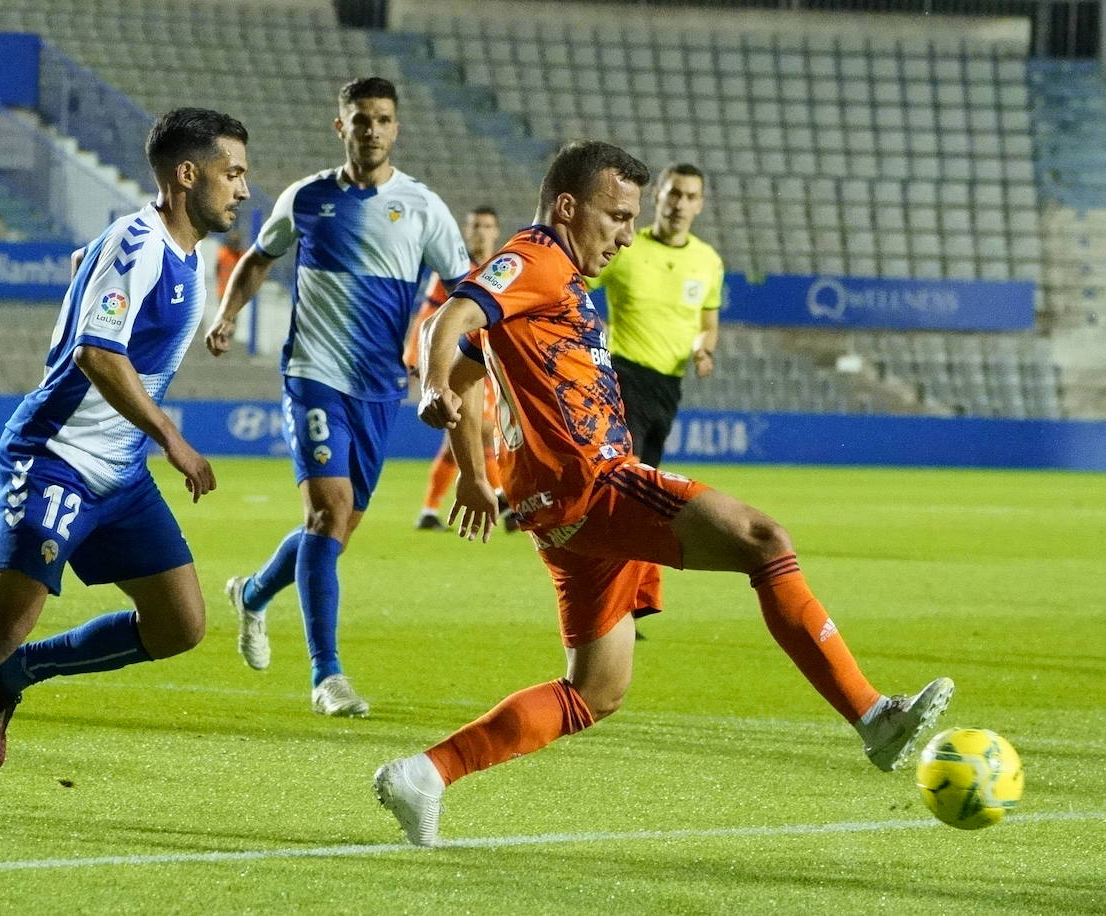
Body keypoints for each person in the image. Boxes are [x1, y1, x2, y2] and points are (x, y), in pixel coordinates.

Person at [372, 140, 953, 846]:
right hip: (593, 483)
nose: (624, 233)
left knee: (596, 690)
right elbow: (446, 323)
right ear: (567, 207)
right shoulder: (536, 259)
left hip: (561, 514)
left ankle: (425, 774)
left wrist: (470, 469)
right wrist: (431, 386)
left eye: (631, 218)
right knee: (764, 541)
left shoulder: (555, 283)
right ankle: (873, 719)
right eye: (616, 216)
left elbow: (472, 374)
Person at [0, 108, 250, 831]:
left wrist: (88, 277)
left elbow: (85, 271)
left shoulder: (182, 254)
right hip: (54, 462)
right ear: (186, 175)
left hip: (117, 475)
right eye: (233, 172)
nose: (243, 189)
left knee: (179, 626)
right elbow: (96, 352)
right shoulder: (139, 243)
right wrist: (173, 437)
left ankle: (24, 672)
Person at [204, 77, 468, 717]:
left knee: (335, 529)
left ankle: (253, 594)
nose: (371, 129)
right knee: (329, 514)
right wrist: (227, 314)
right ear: (340, 125)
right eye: (360, 119)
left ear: (395, 129)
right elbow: (258, 257)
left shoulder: (423, 208)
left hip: (380, 387)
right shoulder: (308, 197)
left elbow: (465, 293)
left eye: (382, 119)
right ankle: (328, 676)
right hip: (313, 373)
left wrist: (450, 364)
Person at [585, 163, 721, 469]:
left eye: (689, 197)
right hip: (624, 375)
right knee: (626, 473)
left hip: (669, 385)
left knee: (644, 475)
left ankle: (524, 507)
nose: (680, 204)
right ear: (658, 196)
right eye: (674, 194)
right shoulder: (625, 250)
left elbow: (708, 325)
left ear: (699, 204)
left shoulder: (708, 261)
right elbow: (575, 284)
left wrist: (704, 350)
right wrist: (590, 324)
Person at [403, 206, 511, 533]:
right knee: (480, 430)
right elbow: (430, 317)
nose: (480, 231)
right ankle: (503, 500)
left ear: (495, 232)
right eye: (475, 225)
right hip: (457, 361)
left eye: (487, 226)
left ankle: (430, 509)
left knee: (464, 438)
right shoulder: (451, 269)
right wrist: (417, 357)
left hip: (486, 362)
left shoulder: (501, 268)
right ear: (467, 230)